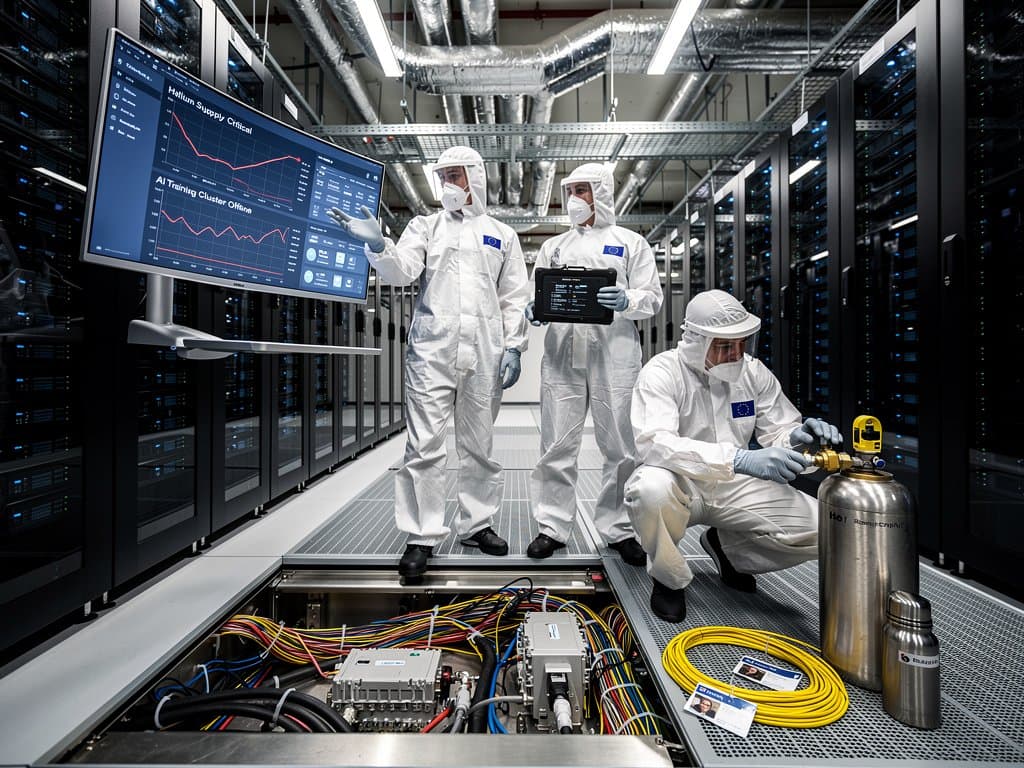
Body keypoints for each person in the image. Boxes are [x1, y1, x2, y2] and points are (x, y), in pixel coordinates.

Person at [328, 146, 530, 579]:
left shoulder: (501, 235)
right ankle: (422, 535)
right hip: (431, 354)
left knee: (479, 446)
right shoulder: (425, 226)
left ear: (474, 178)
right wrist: (379, 244)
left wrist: (514, 346)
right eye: (442, 178)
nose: (448, 186)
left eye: (455, 176)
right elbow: (401, 271)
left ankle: (476, 525)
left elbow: (515, 297)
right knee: (423, 446)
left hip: (485, 352)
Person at [623, 289, 842, 622]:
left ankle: (729, 550)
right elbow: (655, 444)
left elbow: (779, 432)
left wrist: (798, 440)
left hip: (735, 482)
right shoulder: (662, 373)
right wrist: (741, 459)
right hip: (680, 482)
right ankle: (669, 578)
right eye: (724, 345)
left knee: (824, 528)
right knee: (648, 490)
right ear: (696, 341)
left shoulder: (753, 373)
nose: (736, 353)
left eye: (741, 343)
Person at [524, 163, 663, 566]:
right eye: (569, 190)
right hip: (562, 353)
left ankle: (618, 528)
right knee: (556, 442)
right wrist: (536, 310)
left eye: (582, 190)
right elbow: (540, 294)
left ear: (601, 193)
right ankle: (552, 526)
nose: (574, 199)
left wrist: (628, 300)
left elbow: (651, 297)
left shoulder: (630, 242)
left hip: (614, 355)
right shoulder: (554, 247)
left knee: (621, 446)